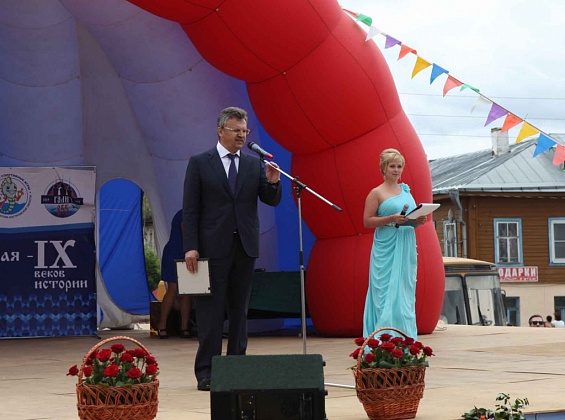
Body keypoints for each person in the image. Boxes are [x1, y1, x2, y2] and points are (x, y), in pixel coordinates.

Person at [182, 106, 282, 391]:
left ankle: (237, 368)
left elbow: (270, 199)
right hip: (211, 248)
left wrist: (273, 182)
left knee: (239, 311)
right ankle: (207, 372)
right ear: (220, 131)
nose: (241, 135)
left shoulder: (252, 164)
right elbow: (190, 209)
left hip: (244, 247)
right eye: (236, 130)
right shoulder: (200, 162)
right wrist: (191, 247)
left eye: (244, 131)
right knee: (210, 313)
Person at [362, 148, 427, 340]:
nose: (396, 170)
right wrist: (391, 218)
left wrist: (418, 221)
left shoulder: (405, 191)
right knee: (384, 292)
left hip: (406, 244)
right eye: (392, 166)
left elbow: (410, 219)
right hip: (386, 245)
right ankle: (382, 339)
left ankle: (405, 340)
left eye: (399, 166)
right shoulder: (376, 192)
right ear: (384, 168)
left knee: (404, 293)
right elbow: (367, 221)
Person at [157, 210, 193, 339]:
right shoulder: (185, 213)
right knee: (173, 288)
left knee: (187, 291)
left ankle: (184, 327)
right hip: (175, 253)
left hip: (188, 254)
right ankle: (162, 325)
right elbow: (187, 232)